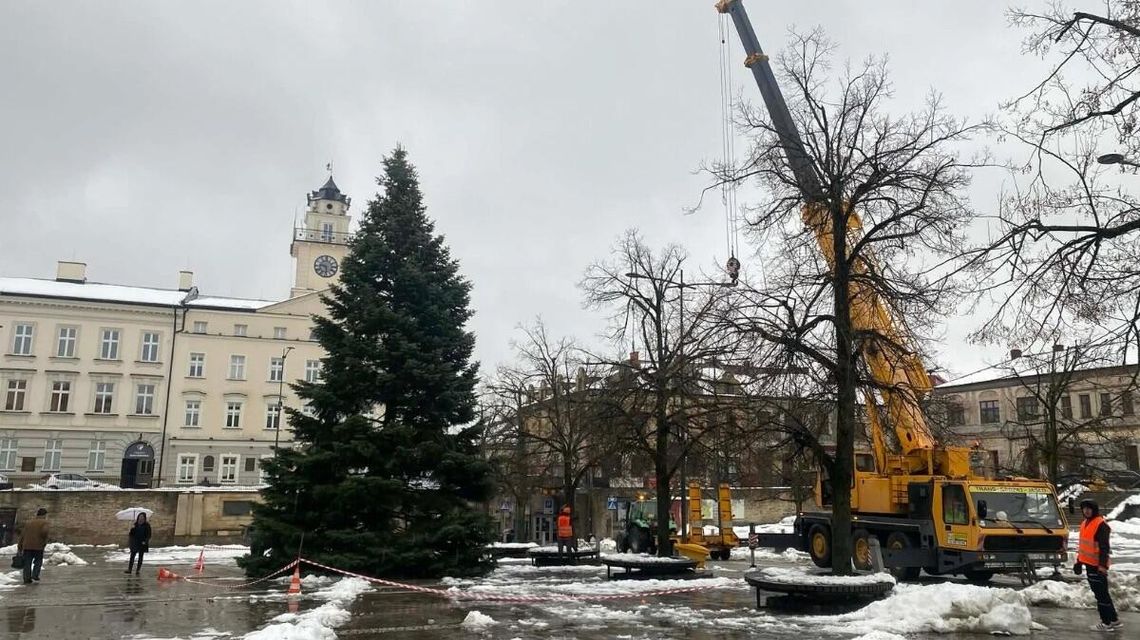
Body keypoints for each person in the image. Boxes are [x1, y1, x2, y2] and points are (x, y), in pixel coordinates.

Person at [1074, 498, 1122, 631]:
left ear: (1094, 510)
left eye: (1089, 508)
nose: (1086, 511)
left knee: (1100, 595)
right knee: (1102, 593)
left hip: (1097, 566)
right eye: (1084, 508)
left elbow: (1104, 548)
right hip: (1088, 564)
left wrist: (1102, 566)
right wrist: (1079, 561)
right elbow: (1084, 545)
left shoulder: (1101, 524)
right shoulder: (1084, 523)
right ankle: (1114, 619)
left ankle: (1106, 623)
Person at [16, 508, 49, 584]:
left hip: (27, 546)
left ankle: (26, 578)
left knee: (27, 562)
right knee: (38, 561)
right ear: (44, 515)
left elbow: (22, 535)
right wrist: (44, 541)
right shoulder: (44, 522)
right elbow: (44, 532)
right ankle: (35, 575)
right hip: (38, 546)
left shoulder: (29, 523)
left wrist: (19, 546)